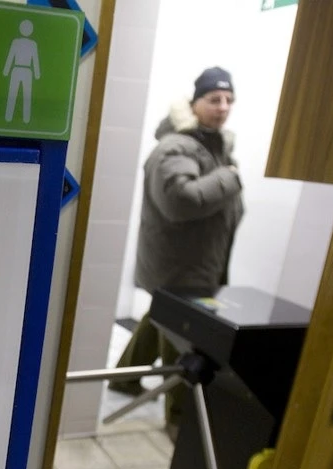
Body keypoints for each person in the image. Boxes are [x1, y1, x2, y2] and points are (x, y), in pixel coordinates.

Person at [109, 67, 244, 436]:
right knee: (184, 339)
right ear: (194, 102)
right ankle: (180, 421)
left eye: (229, 100)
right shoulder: (177, 147)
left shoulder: (209, 146)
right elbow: (181, 201)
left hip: (192, 263)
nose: (223, 107)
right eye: (214, 99)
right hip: (181, 268)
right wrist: (230, 177)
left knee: (161, 319)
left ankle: (123, 379)